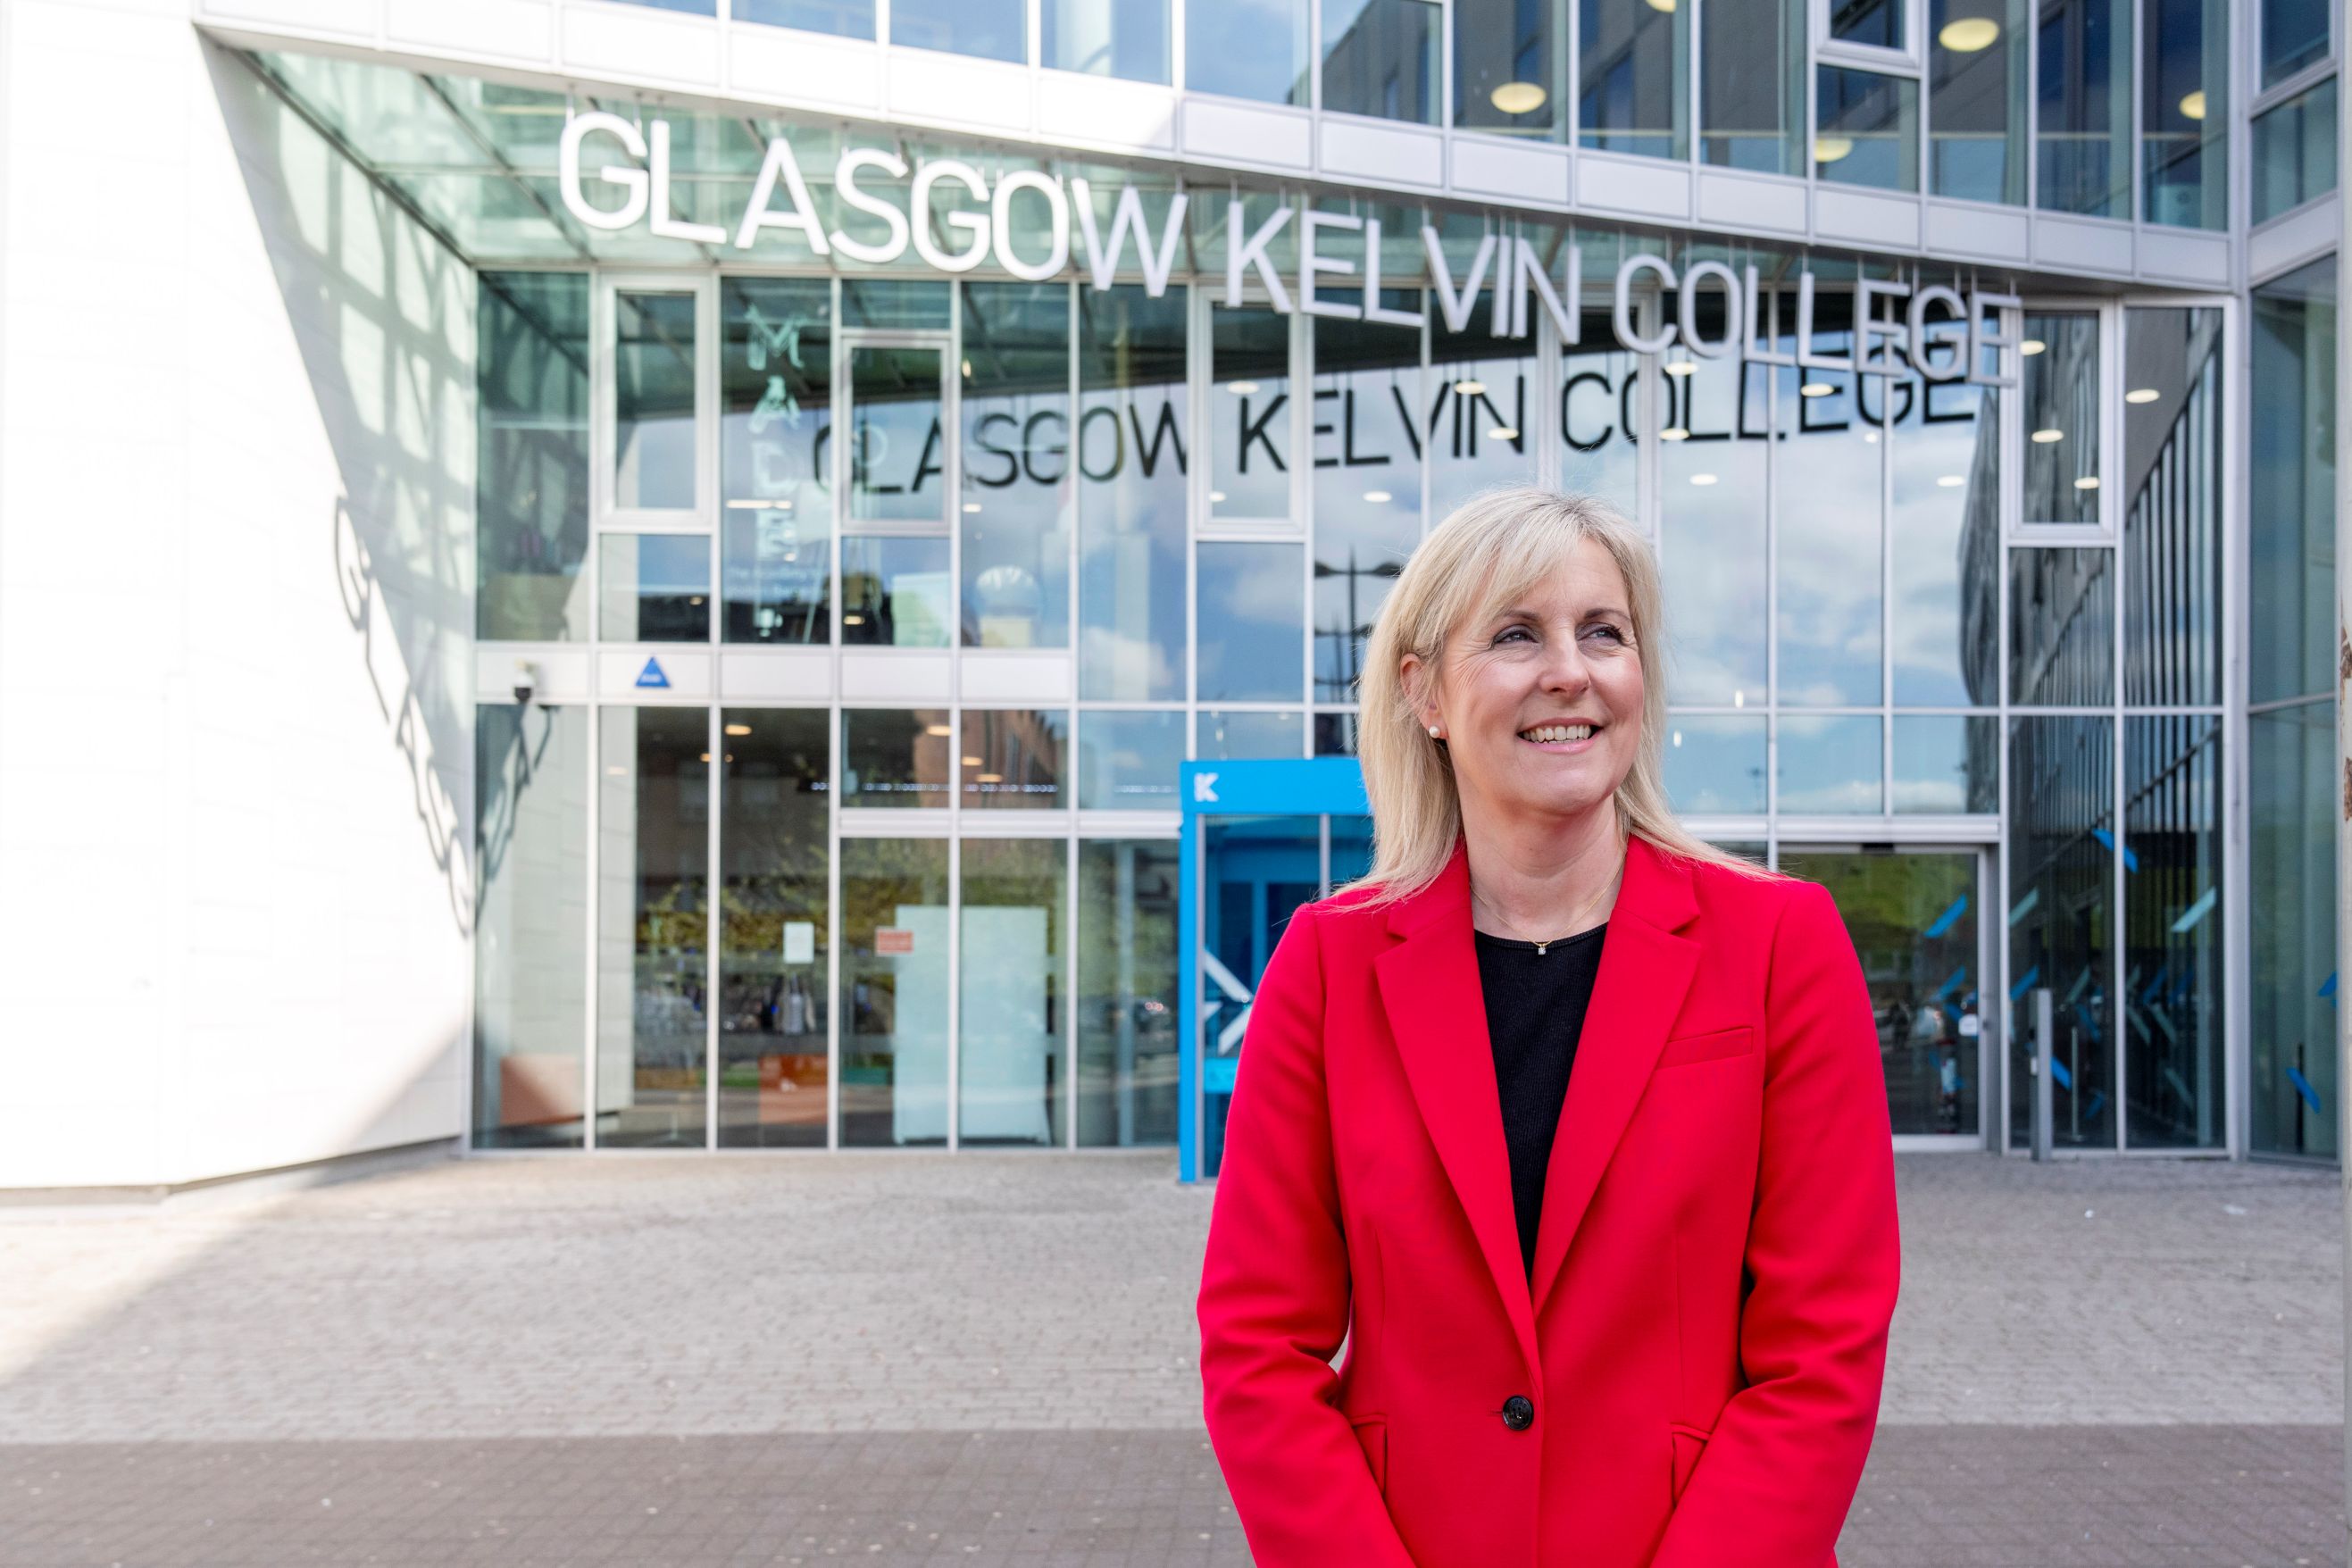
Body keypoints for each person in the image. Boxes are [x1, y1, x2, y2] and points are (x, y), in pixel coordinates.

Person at [1197, 488, 1900, 1567]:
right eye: (1517, 633)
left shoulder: (1779, 946)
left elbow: (1823, 1351)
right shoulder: (1328, 967)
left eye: (1603, 632)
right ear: (1424, 692)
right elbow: (1258, 1346)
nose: (1570, 670)